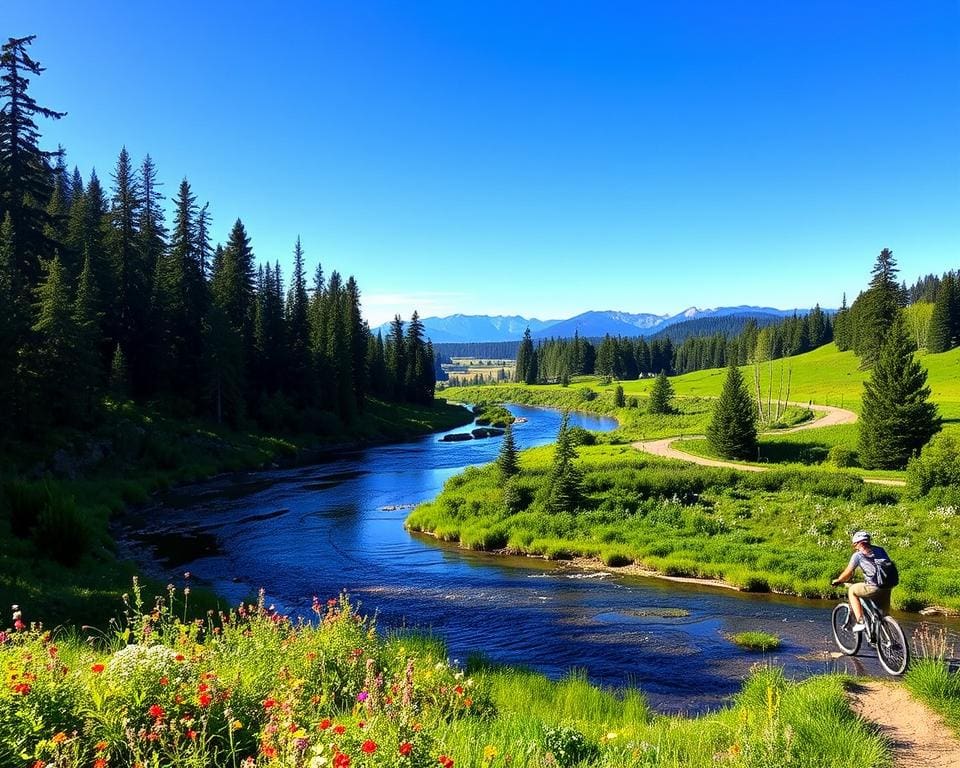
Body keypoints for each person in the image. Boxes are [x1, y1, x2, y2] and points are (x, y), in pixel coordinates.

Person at [831, 531, 894, 632]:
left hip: (873, 587)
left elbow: (847, 573)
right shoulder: (880, 550)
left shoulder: (858, 555)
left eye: (854, 544)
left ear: (857, 543)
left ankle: (860, 621)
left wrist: (838, 580)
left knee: (852, 590)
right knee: (883, 616)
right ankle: (891, 640)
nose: (854, 546)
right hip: (887, 586)